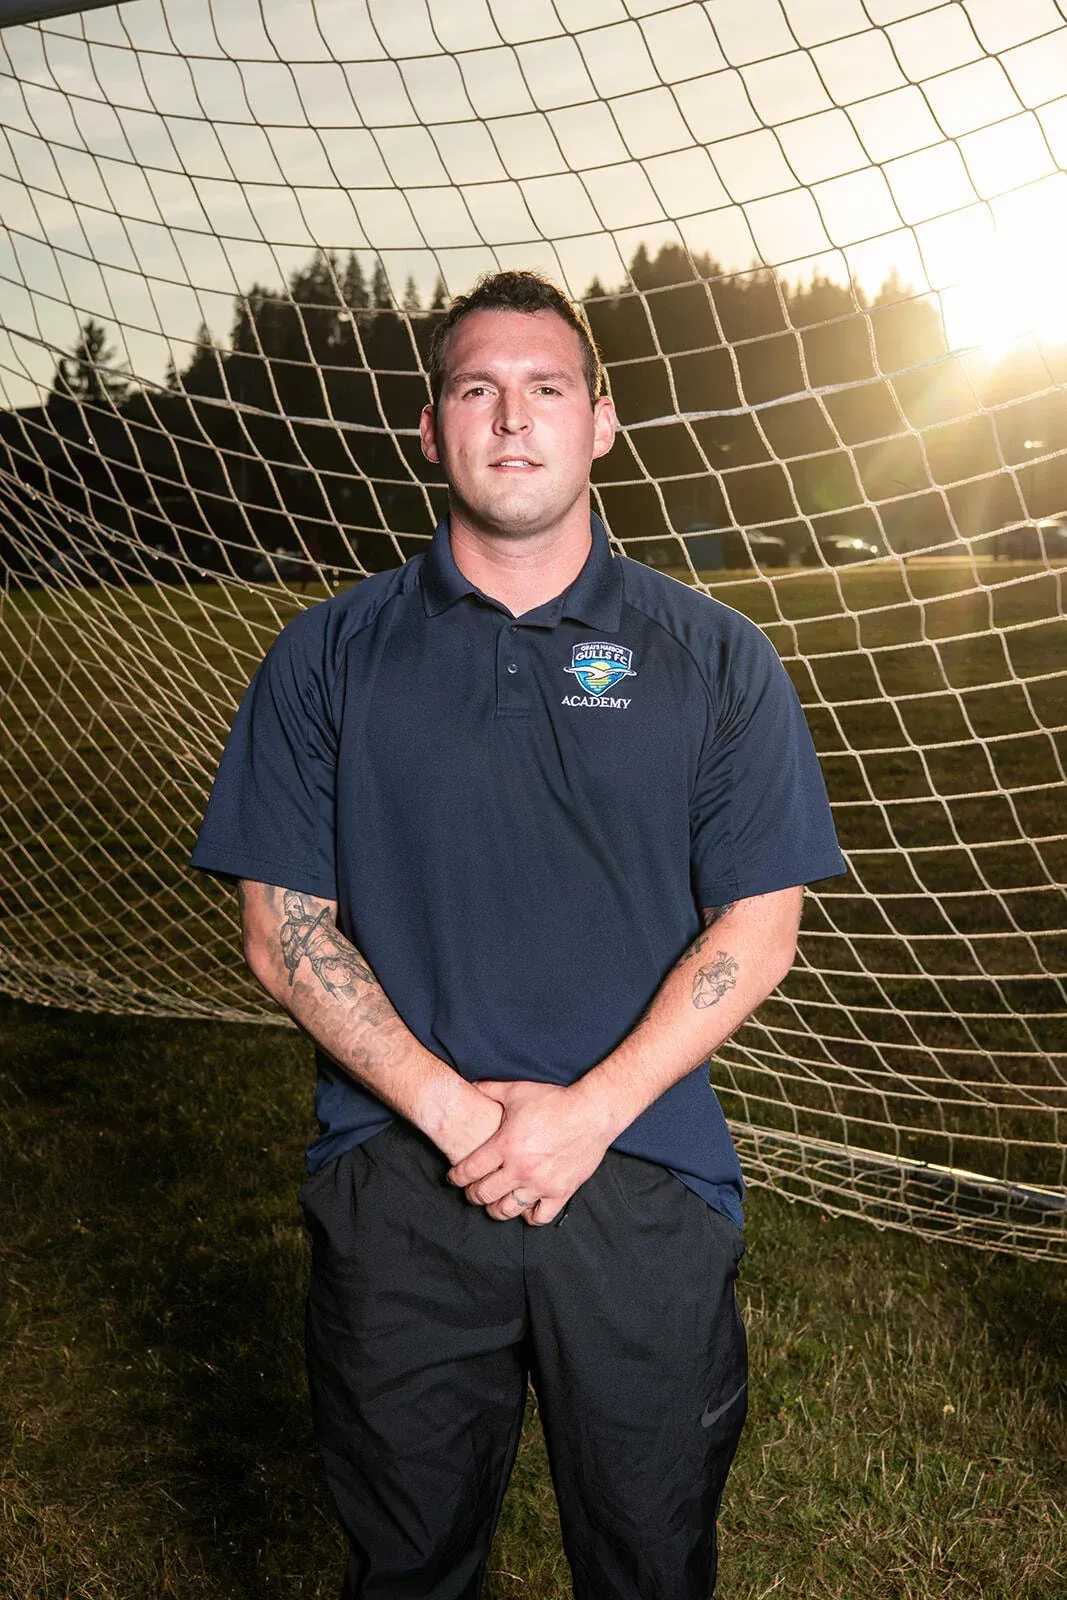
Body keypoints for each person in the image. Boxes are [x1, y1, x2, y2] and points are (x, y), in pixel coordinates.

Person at [190, 269, 846, 1599]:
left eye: (546, 389)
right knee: (410, 1566)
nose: (510, 420)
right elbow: (283, 932)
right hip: (400, 1176)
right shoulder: (326, 656)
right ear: (429, 428)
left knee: (649, 1561)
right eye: (474, 389)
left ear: (600, 421)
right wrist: (460, 1119)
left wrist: (583, 1116)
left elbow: (757, 928)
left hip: (645, 1172)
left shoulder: (716, 656)